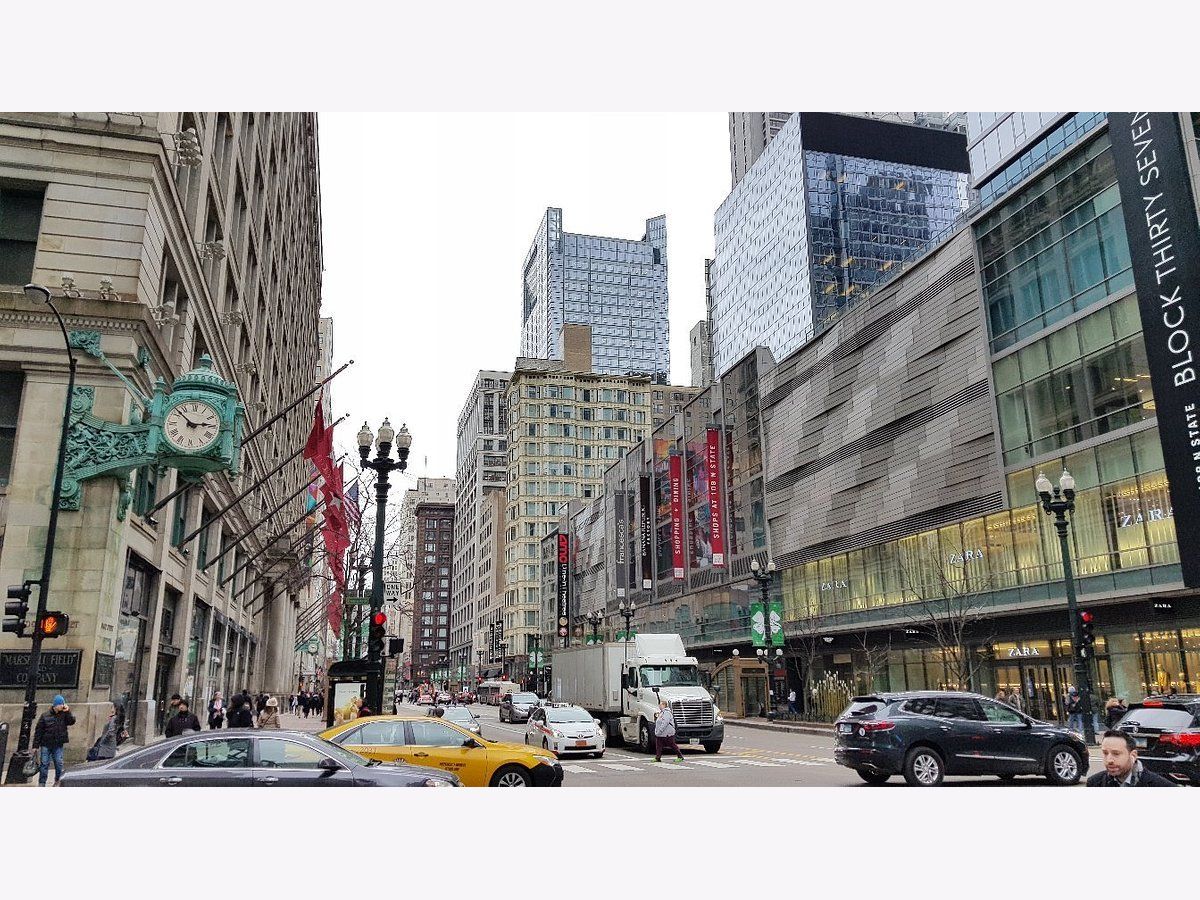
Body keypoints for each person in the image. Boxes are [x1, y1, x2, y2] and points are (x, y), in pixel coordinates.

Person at [1087, 730, 1177, 786]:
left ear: (1133, 755)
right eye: (1105, 753)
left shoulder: (1162, 785)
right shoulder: (1094, 782)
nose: (1109, 760)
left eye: (1116, 754)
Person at [32, 695, 75, 786]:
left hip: (58, 744)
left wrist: (68, 711)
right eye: (60, 704)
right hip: (46, 744)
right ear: (55, 705)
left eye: (63, 704)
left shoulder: (64, 714)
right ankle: (42, 782)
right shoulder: (45, 716)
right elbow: (38, 731)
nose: (62, 706)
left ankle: (57, 780)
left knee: (59, 763)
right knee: (44, 764)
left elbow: (71, 721)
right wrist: (35, 746)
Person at [653, 699, 684, 763]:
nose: (659, 706)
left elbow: (665, 723)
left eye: (660, 704)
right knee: (658, 746)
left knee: (672, 745)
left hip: (667, 733)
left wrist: (659, 730)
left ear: (664, 705)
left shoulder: (667, 712)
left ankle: (680, 756)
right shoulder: (662, 712)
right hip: (661, 734)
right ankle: (658, 758)